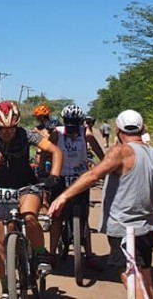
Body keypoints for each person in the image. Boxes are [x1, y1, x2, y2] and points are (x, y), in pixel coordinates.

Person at [49, 109, 153, 299]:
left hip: (125, 228)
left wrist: (63, 196)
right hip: (146, 227)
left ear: (118, 130)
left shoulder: (121, 152)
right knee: (145, 278)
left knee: (130, 278)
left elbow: (93, 175)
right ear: (142, 128)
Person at [0, 101, 63, 299]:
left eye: (11, 128)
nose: (7, 132)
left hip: (27, 185)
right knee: (2, 243)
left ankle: (41, 253)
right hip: (2, 189)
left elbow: (56, 151)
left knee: (29, 216)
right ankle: (6, 289)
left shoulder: (27, 135)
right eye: (3, 129)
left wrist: (54, 175)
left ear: (17, 125)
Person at [47, 105, 106, 268]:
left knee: (84, 218)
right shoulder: (56, 133)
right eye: (68, 124)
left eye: (74, 125)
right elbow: (46, 149)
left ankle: (88, 255)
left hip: (80, 179)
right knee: (57, 217)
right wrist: (44, 167)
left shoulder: (85, 133)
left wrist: (106, 164)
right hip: (60, 177)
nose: (71, 129)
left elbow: (98, 151)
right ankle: (51, 254)